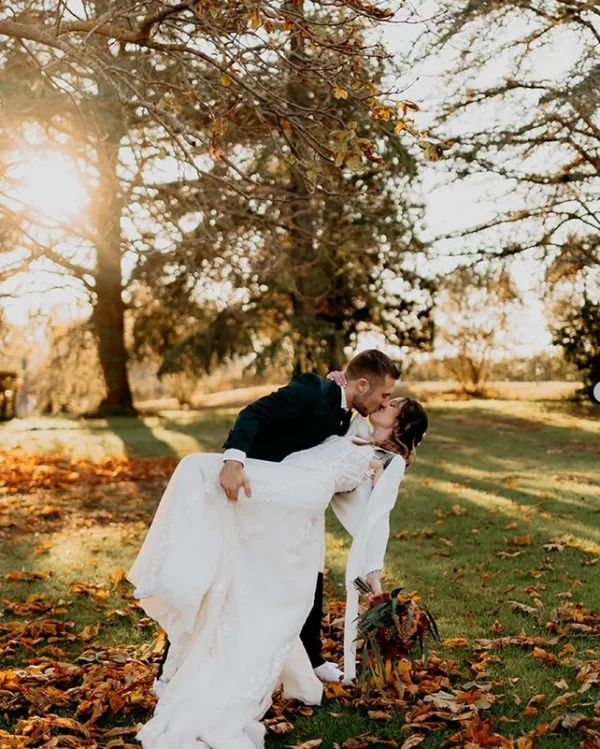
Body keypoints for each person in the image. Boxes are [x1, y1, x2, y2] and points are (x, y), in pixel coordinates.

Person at [127, 358, 428, 749]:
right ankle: (174, 607)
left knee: (199, 473)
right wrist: (336, 385)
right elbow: (337, 404)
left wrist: (373, 576)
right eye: (385, 396)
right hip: (282, 489)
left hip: (294, 497)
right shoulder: (352, 423)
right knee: (201, 484)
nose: (384, 402)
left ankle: (205, 662)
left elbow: (375, 519)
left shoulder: (388, 461)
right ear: (364, 386)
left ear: (401, 426)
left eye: (392, 403)